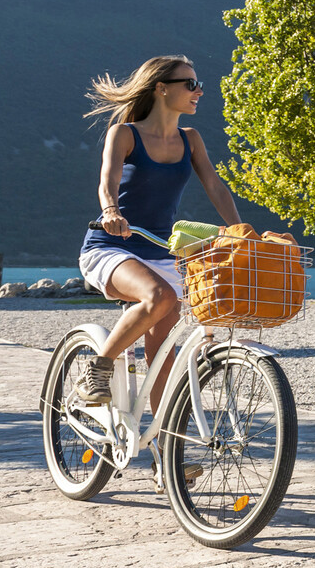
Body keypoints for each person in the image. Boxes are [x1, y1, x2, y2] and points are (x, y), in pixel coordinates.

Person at [75, 56, 242, 417]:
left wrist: (239, 231)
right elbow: (107, 182)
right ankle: (98, 368)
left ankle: (162, 444)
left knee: (163, 357)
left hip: (161, 253)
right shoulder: (125, 134)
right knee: (160, 296)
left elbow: (215, 186)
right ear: (161, 88)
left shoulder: (190, 139)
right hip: (112, 246)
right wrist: (111, 211)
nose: (199, 91)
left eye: (199, 84)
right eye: (190, 84)